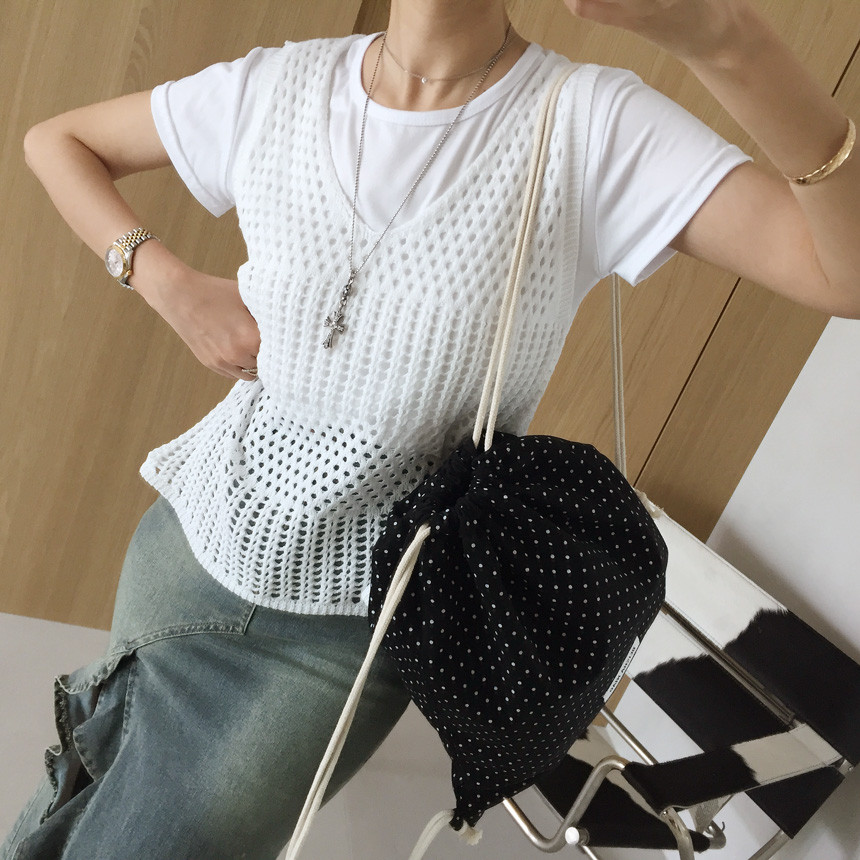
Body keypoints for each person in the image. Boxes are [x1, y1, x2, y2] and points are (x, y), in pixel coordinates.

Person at [4, 0, 858, 858]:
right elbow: (56, 142)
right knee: (80, 775)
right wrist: (166, 282)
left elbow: (842, 274)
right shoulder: (277, 86)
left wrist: (723, 36)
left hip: (343, 637)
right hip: (189, 548)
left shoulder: (590, 126)